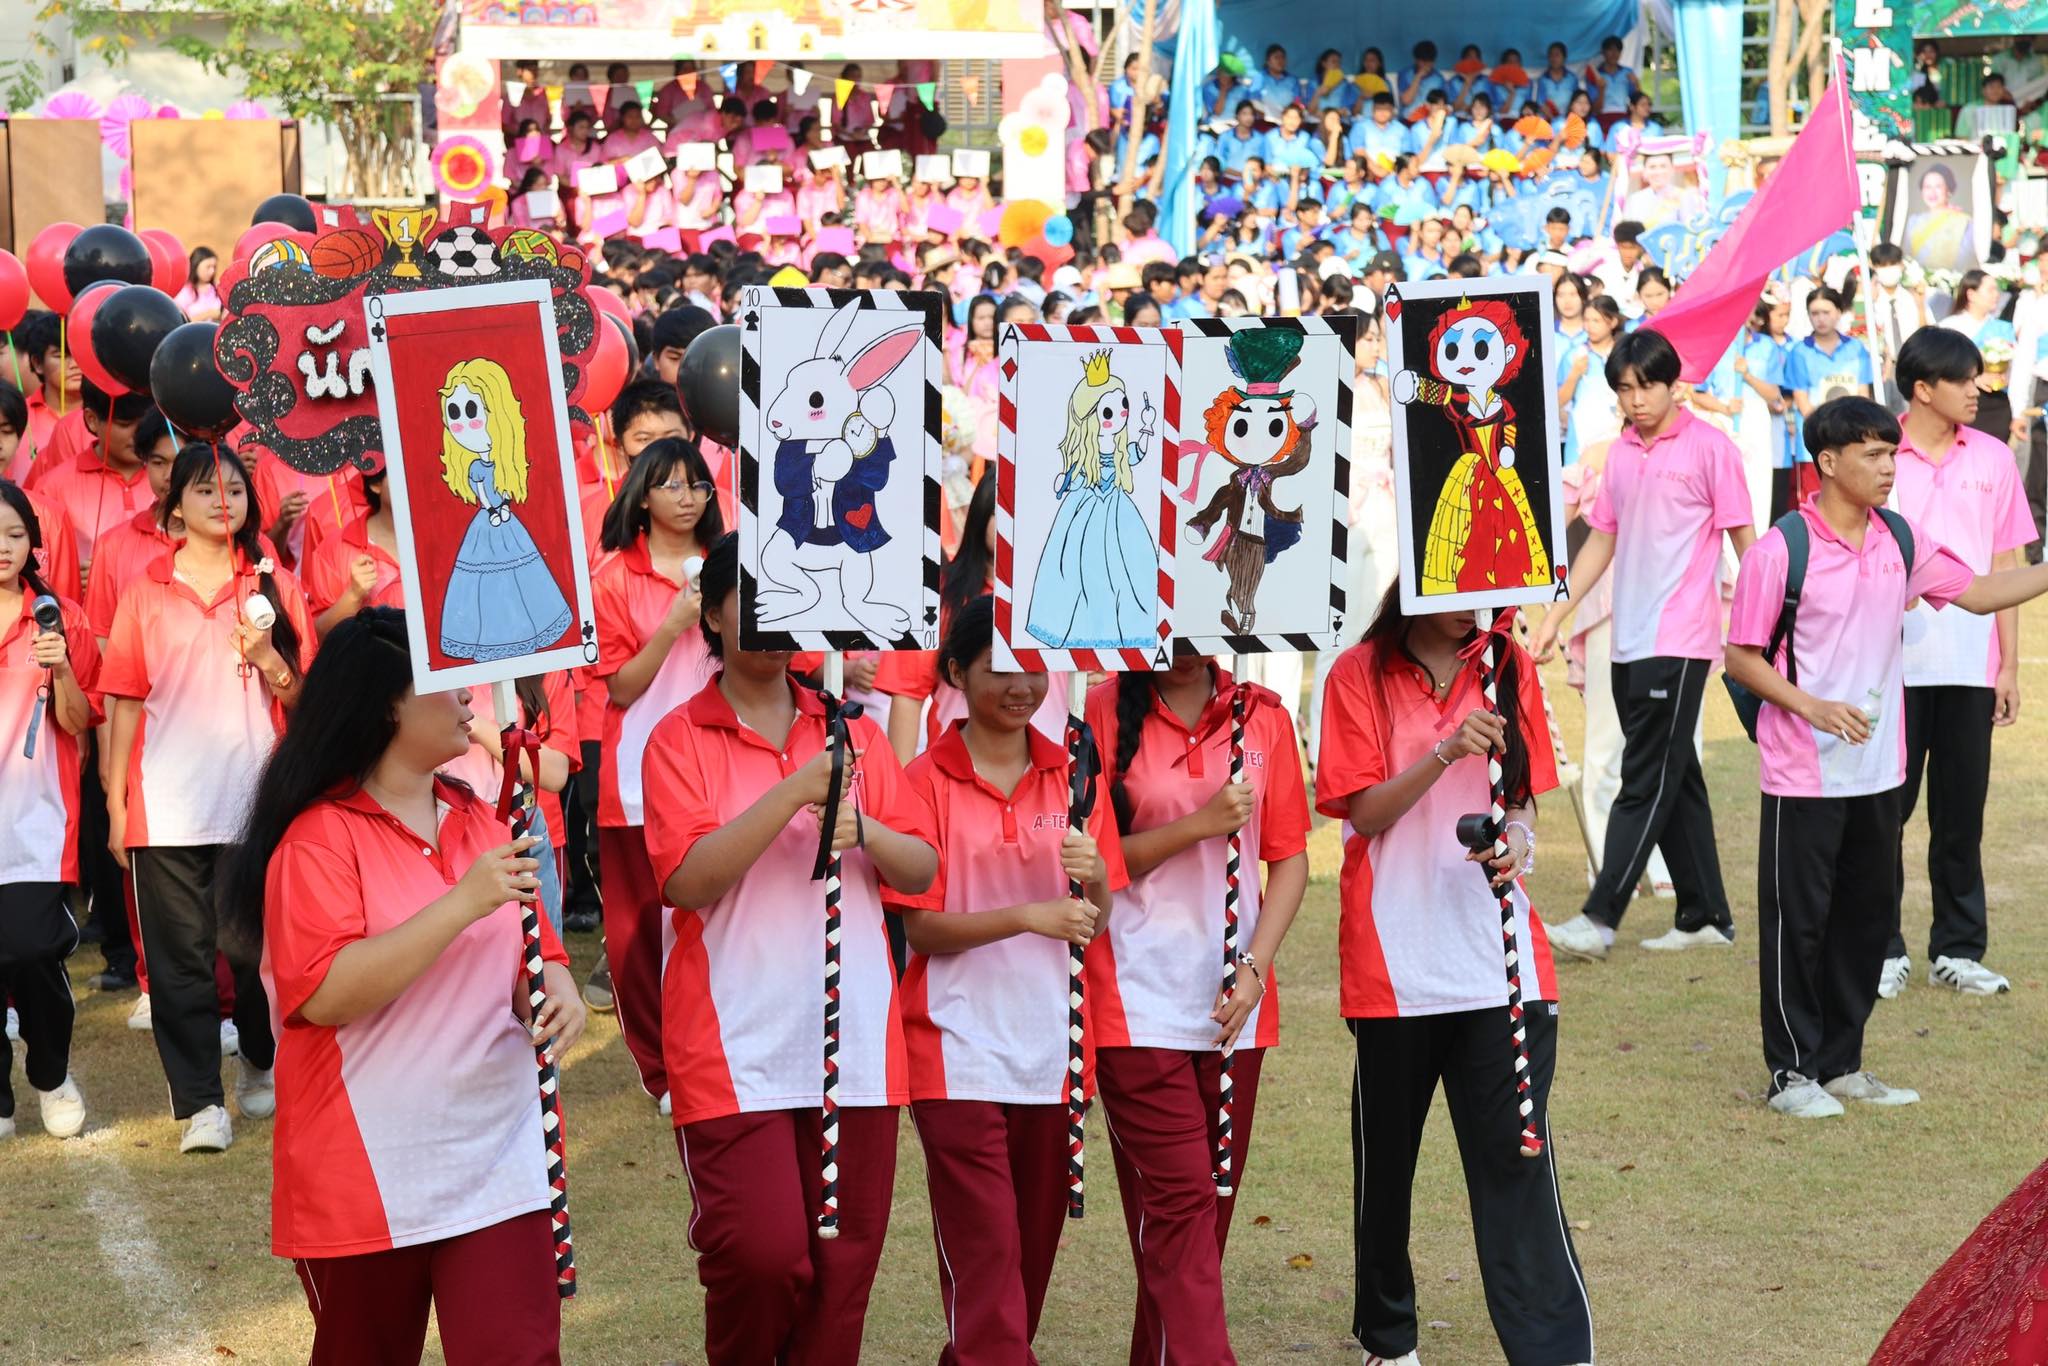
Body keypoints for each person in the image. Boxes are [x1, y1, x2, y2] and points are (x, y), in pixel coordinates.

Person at [219, 606, 583, 1363]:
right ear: (388, 705)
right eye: (445, 682)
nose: (468, 696)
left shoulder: (486, 821)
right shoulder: (316, 839)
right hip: (366, 1170)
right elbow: (325, 993)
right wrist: (460, 904)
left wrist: (556, 991)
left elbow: (536, 958)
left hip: (501, 1155)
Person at [640, 532, 936, 1364]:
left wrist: (864, 828)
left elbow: (922, 866)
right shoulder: (679, 739)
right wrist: (795, 792)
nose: (774, 620)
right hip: (734, 1044)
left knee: (843, 1274)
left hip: (855, 1041)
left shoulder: (855, 733)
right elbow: (687, 881)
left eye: (788, 599)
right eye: (753, 601)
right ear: (713, 614)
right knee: (761, 1255)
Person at [1724, 397, 2048, 1117]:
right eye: (1871, 454)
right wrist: (1812, 707)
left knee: (1866, 920)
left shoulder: (1900, 539)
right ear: (1827, 462)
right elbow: (1741, 658)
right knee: (1798, 926)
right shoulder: (1780, 550)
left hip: (1880, 769)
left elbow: (1980, 592)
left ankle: (1842, 1065)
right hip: (1802, 773)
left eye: (1890, 453)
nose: (1886, 467)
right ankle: (1792, 1075)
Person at [1317, 586, 1593, 1366]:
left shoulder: (1508, 663)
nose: (1477, 606)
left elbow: (1523, 800)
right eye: (1457, 589)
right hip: (1395, 961)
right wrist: (1444, 752)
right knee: (1387, 1164)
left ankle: (1554, 1350)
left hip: (1498, 962)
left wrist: (1517, 843)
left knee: (1518, 1157)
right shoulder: (1357, 673)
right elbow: (1362, 813)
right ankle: (1388, 1337)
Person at [888, 596, 1122, 1363]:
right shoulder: (922, 779)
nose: (1022, 685)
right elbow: (921, 929)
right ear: (957, 672)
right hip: (953, 1050)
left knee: (1024, 1268)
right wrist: (1027, 916)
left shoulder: (1075, 772)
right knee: (987, 1259)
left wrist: (1094, 879)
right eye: (999, 669)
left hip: (1054, 1051)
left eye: (1033, 666)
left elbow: (1097, 919)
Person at [1085, 648, 1310, 1363]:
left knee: (1198, 1224)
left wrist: (1255, 968)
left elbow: (1290, 858)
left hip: (1232, 1007)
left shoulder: (1263, 716)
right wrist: (1202, 822)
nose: (1182, 643)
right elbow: (1094, 862)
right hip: (1133, 1001)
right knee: (1182, 1206)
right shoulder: (1101, 709)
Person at [101, 444, 307, 1152]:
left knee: (254, 954)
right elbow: (125, 702)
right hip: (165, 807)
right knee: (179, 965)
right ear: (174, 506)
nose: (224, 500)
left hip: (255, 803)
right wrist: (117, 803)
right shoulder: (146, 590)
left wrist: (268, 658)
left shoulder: (275, 584)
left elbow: (307, 700)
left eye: (236, 490)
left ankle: (259, 1056)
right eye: (204, 490)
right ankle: (199, 1105)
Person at [1531, 330, 1751, 959]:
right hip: (1627, 638)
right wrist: (1556, 614)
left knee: (1645, 776)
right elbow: (1601, 540)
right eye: (1624, 389)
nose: (1636, 400)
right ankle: (1705, 915)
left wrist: (1764, 628)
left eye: (1646, 386)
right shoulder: (1621, 455)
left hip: (1679, 639)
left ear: (1674, 384)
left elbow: (1747, 542)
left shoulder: (1713, 448)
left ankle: (1600, 918)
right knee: (1678, 776)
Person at [1879, 330, 2034, 1000]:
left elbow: (2006, 563)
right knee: (1884, 814)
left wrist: (2009, 666)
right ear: (1922, 389)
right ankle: (1880, 947)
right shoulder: (1878, 453)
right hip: (1889, 664)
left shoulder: (1994, 457)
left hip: (1971, 664)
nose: (1979, 390)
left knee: (1961, 815)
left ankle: (1959, 949)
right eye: (1965, 379)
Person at [589, 437, 722, 1116]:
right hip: (639, 774)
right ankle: (663, 1069)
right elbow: (618, 687)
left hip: (722, 769)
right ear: (641, 495)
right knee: (641, 930)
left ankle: (712, 1049)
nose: (686, 496)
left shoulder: (732, 566)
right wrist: (673, 625)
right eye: (670, 484)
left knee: (716, 921)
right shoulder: (614, 577)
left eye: (697, 484)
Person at [0, 479, 95, 1140]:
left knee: (36, 951)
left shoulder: (58, 619)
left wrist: (61, 668)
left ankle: (51, 1072)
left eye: (13, 533)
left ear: (33, 542)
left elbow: (80, 720)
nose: (2, 547)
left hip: (36, 819)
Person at [301, 455, 403, 637]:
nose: (410, 480)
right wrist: (354, 595)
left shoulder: (446, 535)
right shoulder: (333, 549)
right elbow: (317, 635)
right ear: (376, 484)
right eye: (400, 471)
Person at [1787, 287, 1877, 419]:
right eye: (1815, 313)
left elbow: (1863, 393)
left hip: (1852, 424)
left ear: (1839, 312)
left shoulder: (1856, 348)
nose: (1821, 319)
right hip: (1815, 425)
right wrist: (1823, 427)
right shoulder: (1799, 352)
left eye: (1826, 312)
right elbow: (1802, 400)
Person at [1904, 163, 1977, 273]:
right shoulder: (1913, 221)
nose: (1932, 192)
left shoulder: (1963, 222)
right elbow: (1906, 255)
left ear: (1948, 190)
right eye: (1927, 187)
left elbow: (1965, 260)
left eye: (1938, 187)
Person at [174, 247, 222, 323]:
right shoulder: (185, 292)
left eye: (214, 267)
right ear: (196, 266)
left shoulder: (218, 289)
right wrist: (209, 314)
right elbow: (179, 321)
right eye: (208, 267)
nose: (212, 271)